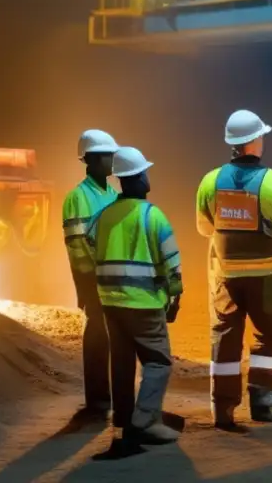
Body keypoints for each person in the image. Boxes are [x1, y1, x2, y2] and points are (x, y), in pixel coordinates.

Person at [195, 110, 272, 429]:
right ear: (254, 141)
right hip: (267, 279)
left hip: (225, 279)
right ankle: (263, 404)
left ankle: (222, 409)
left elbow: (203, 228)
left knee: (225, 339)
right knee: (267, 338)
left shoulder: (210, 181)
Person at [87, 146, 182, 446]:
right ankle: (146, 420)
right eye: (146, 172)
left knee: (123, 362)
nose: (148, 177)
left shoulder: (103, 216)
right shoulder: (153, 216)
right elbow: (172, 263)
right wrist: (175, 296)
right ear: (138, 177)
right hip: (145, 303)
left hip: (111, 303)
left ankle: (124, 418)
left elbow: (90, 248)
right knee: (158, 361)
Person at [61, 129, 119, 418]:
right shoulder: (77, 197)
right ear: (94, 160)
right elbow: (76, 245)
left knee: (112, 340)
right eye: (109, 155)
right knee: (96, 336)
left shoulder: (113, 195)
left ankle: (109, 397)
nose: (113, 161)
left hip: (115, 280)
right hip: (94, 281)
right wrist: (84, 286)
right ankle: (97, 401)